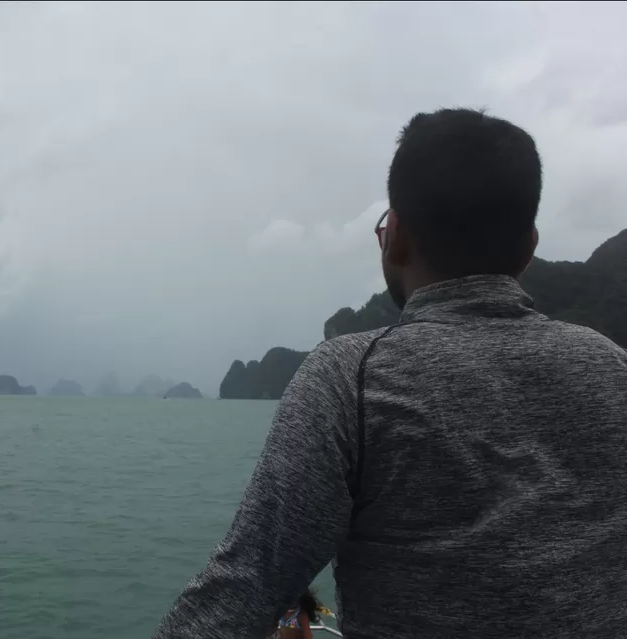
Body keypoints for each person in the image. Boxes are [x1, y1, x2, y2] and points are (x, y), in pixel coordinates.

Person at [152, 108, 627, 639]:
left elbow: (246, 584)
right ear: (529, 247)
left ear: (393, 235)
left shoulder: (351, 379)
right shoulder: (612, 368)